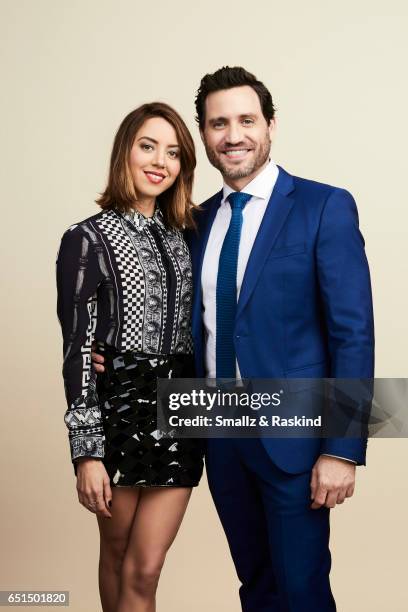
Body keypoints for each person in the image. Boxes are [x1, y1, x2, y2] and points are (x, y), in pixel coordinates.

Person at [93, 67, 374, 611]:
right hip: (219, 436)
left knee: (302, 591)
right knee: (257, 589)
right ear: (204, 134)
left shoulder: (323, 206)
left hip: (295, 437)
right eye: (219, 123)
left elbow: (354, 334)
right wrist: (114, 357)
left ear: (270, 126)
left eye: (247, 120)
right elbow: (171, 322)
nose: (234, 134)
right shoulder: (192, 223)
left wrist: (343, 448)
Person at [56, 102, 204, 612]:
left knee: (146, 566)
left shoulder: (191, 233)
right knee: (117, 553)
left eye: (173, 152)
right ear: (125, 151)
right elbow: (77, 352)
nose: (159, 161)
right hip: (119, 409)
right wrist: (87, 453)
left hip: (183, 407)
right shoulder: (87, 238)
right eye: (148, 146)